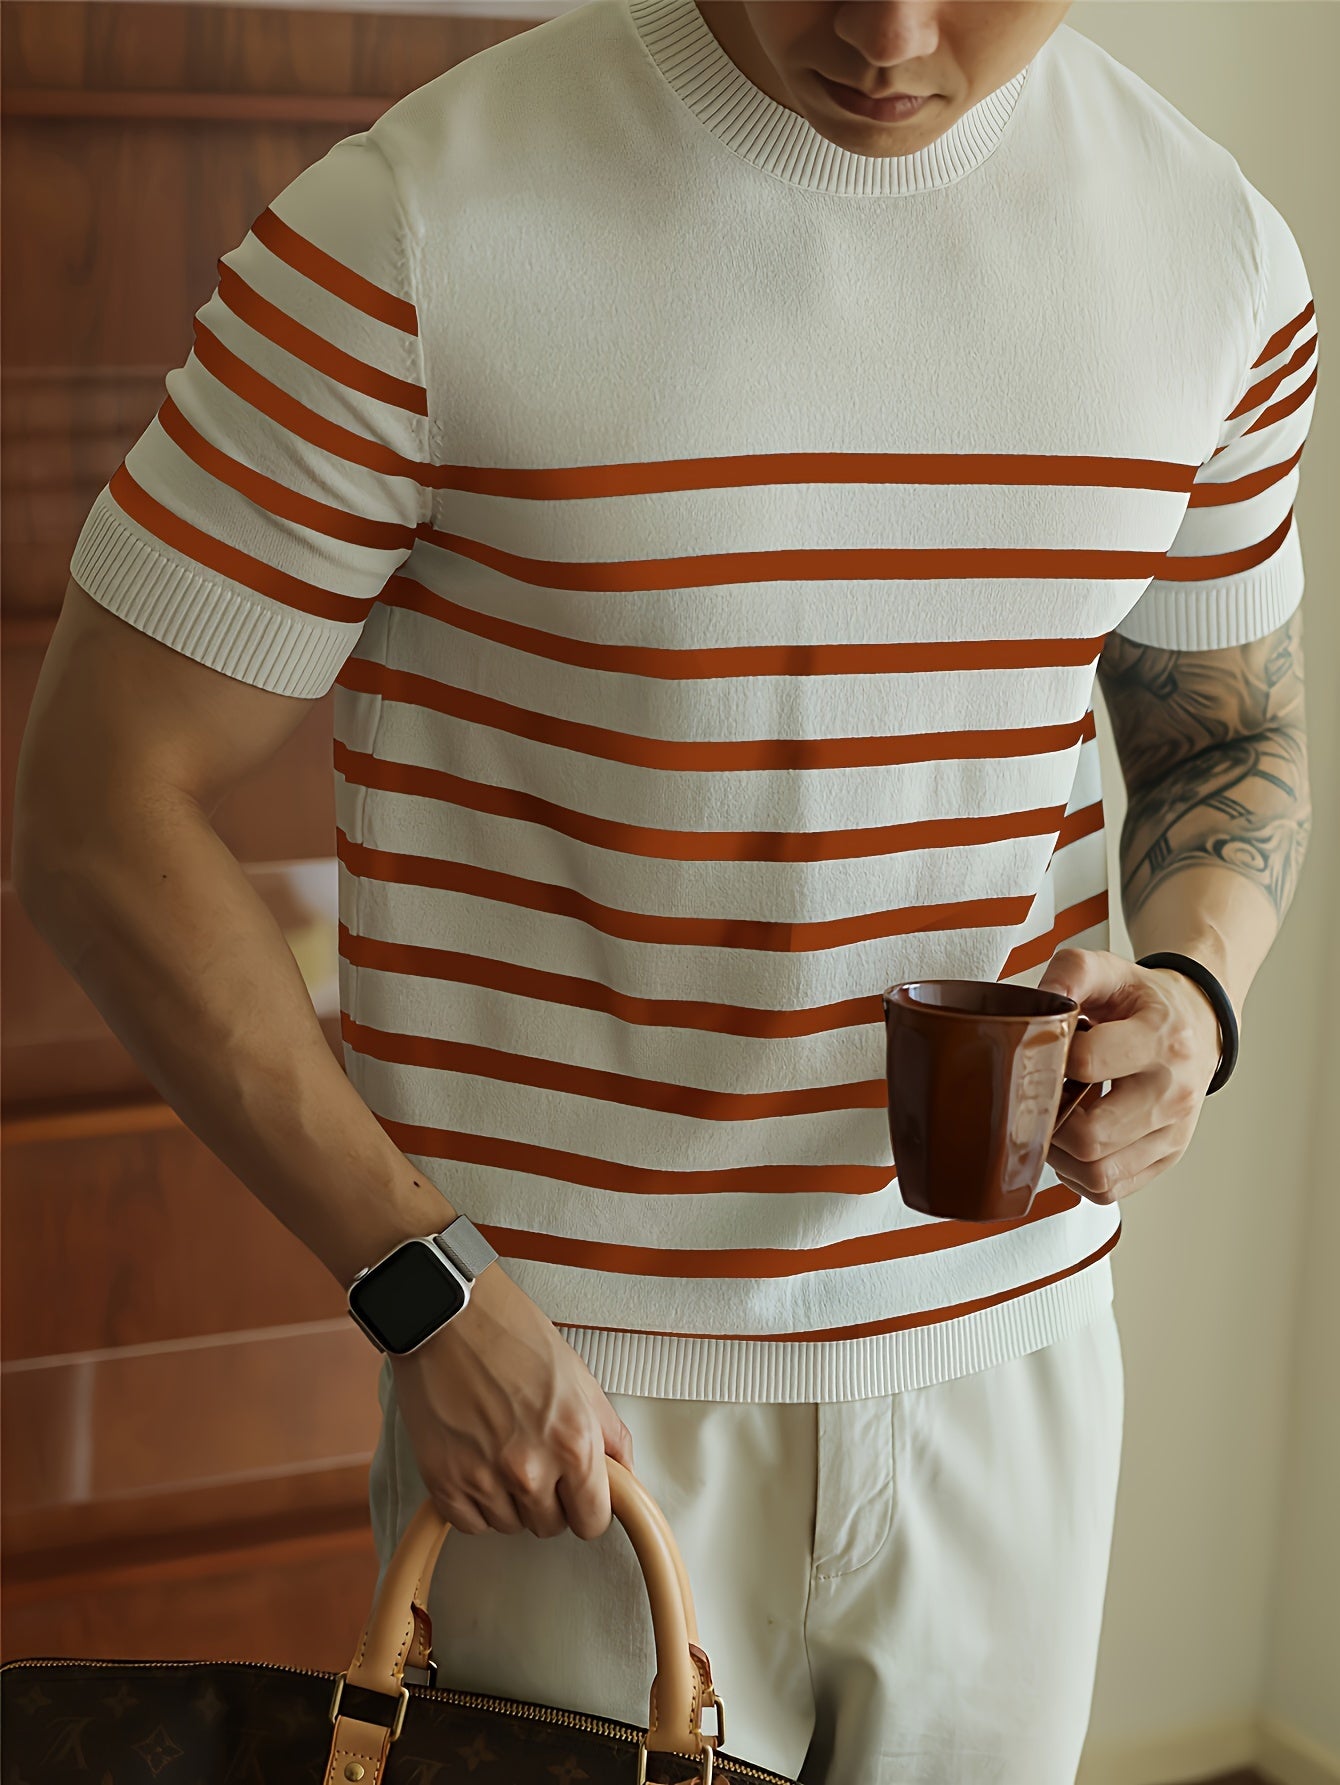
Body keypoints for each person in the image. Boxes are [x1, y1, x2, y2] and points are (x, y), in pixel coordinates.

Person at [13, 1, 1317, 1779]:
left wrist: (1196, 996)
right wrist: (418, 1282)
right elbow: (95, 809)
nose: (888, 29)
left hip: (1013, 1369)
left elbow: (1227, 735)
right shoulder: (416, 228)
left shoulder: (1213, 253)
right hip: (566, 1408)